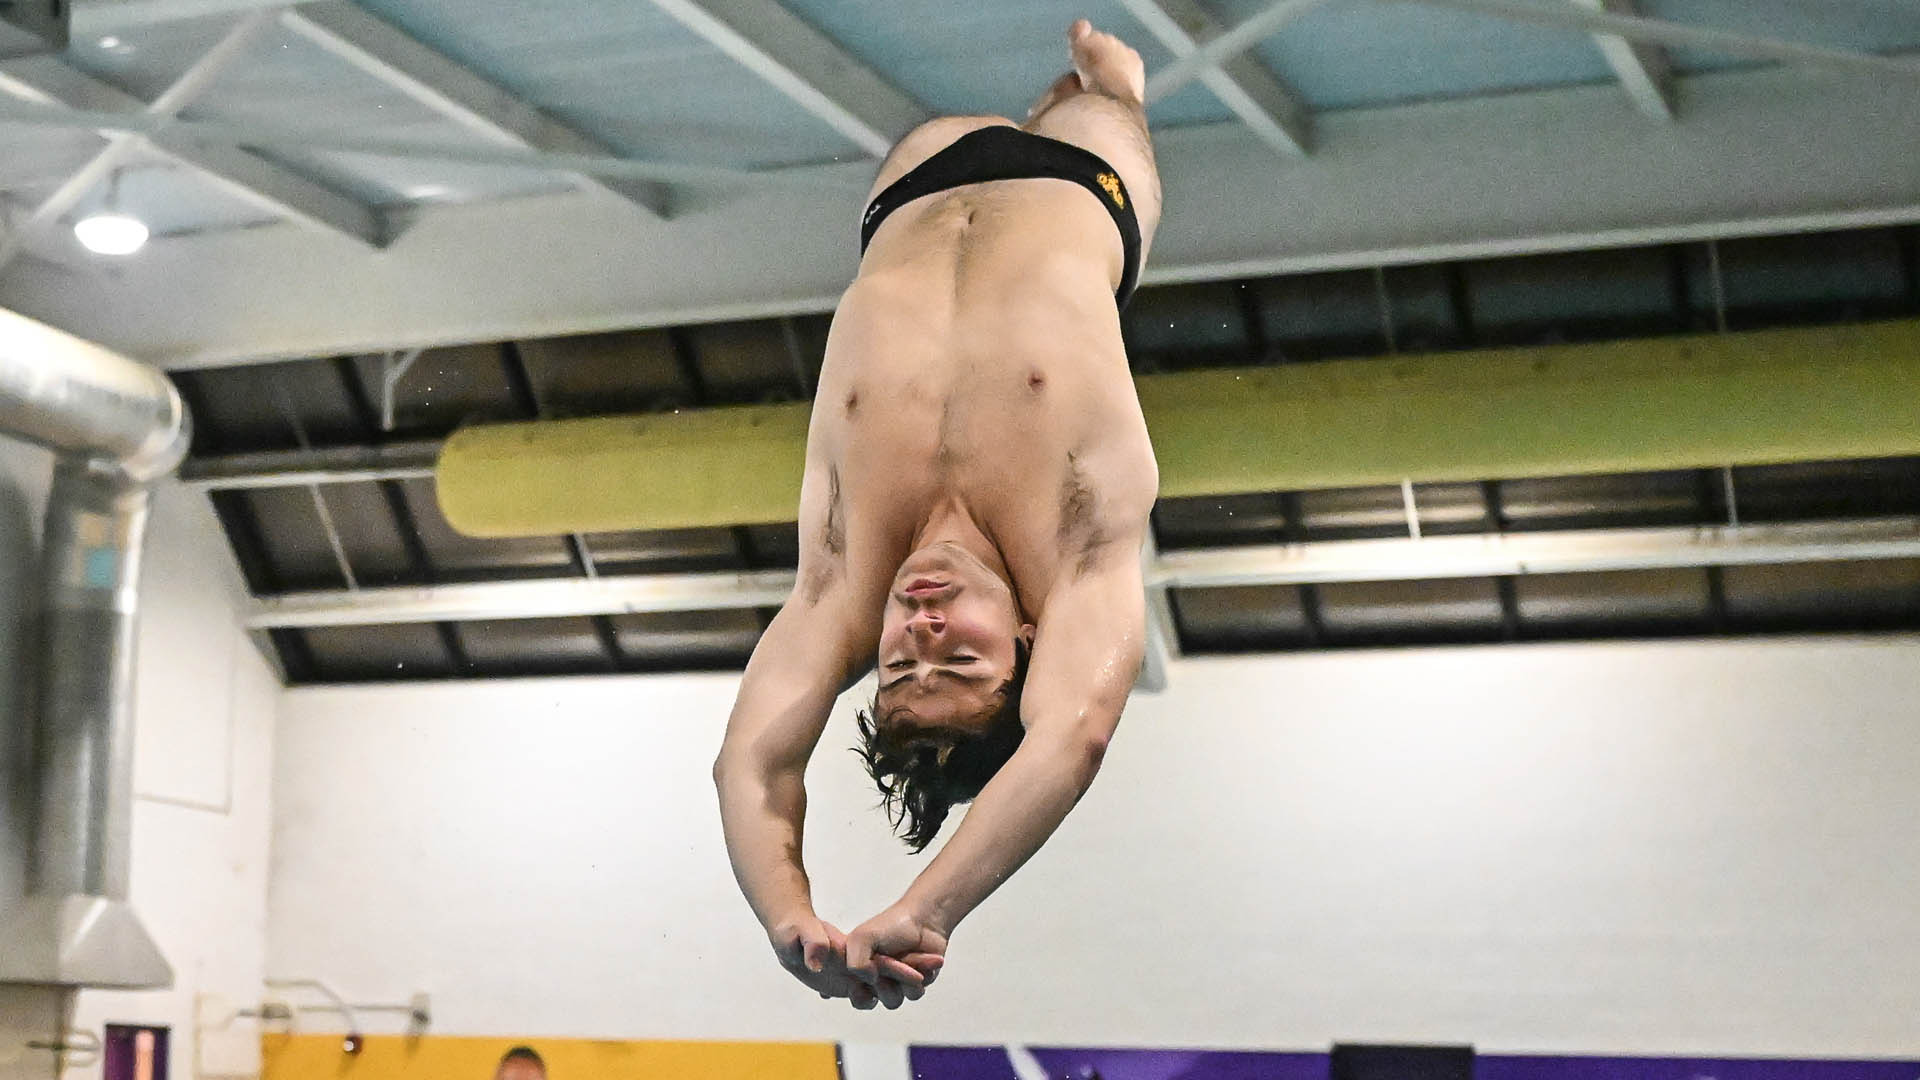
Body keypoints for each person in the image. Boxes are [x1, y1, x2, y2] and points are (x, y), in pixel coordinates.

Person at [713, 18, 1162, 1011]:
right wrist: (931, 909)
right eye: (959, 657)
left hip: (918, 183)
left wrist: (788, 914)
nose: (918, 629)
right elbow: (1072, 739)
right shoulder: (1079, 557)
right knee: (1107, 96)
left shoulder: (842, 583)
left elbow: (749, 760)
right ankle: (1107, 86)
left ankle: (1061, 100)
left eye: (899, 665)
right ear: (1028, 642)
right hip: (1088, 186)